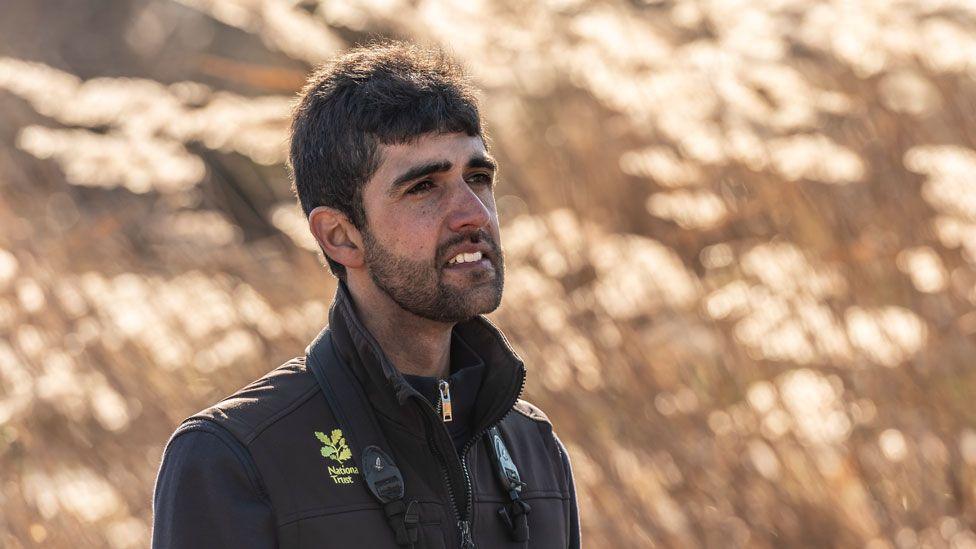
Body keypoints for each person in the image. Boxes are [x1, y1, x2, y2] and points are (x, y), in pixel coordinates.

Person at [151, 41, 581, 549]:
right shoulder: (235, 458)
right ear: (340, 236)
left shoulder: (534, 448)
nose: (475, 214)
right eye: (424, 187)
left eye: (478, 177)